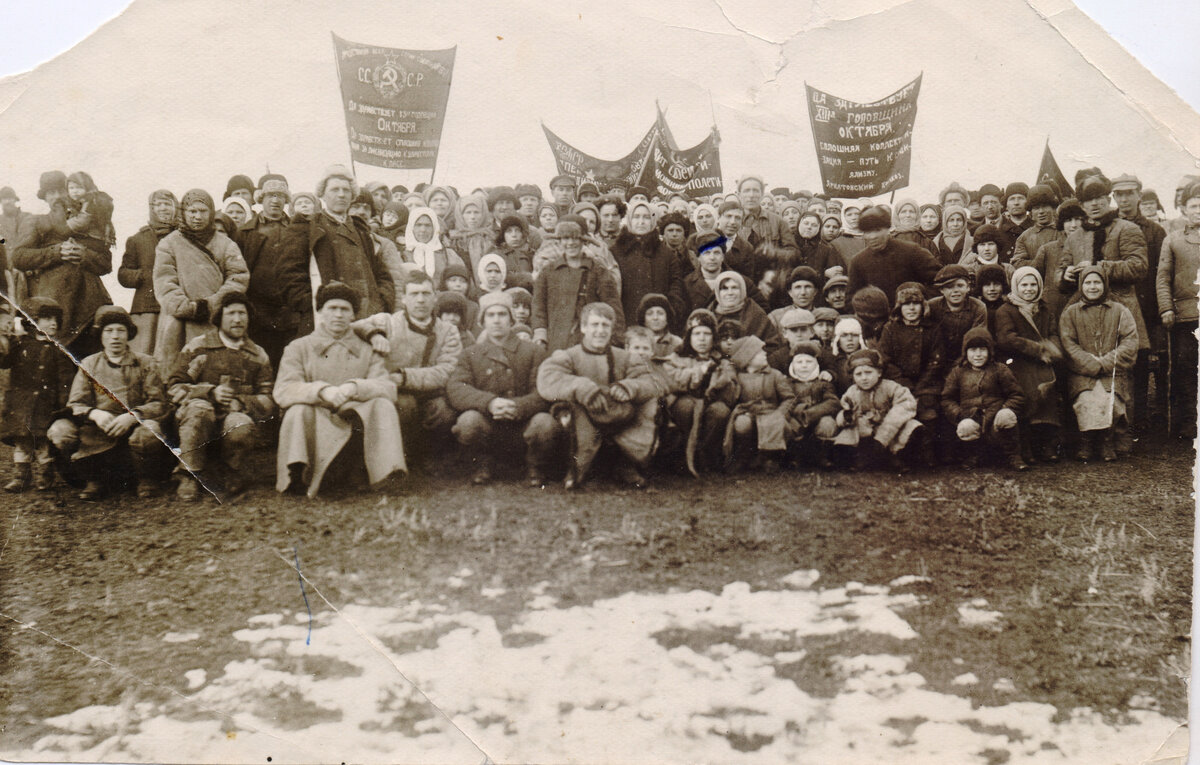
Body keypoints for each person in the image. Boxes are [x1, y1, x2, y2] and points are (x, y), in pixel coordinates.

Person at [273, 282, 406, 497]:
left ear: (353, 315)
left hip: (351, 418)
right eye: (332, 308)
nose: (338, 315)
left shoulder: (367, 350)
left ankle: (379, 474)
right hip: (316, 419)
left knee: (382, 404)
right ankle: (299, 475)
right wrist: (322, 391)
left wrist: (354, 387)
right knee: (297, 410)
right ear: (321, 312)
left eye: (345, 309)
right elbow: (284, 389)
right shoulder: (299, 347)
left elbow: (387, 387)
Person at [1059, 174, 1148, 450]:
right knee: (1084, 370)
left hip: (1120, 311)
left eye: (1099, 198)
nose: (1094, 204)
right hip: (1084, 314)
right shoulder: (1075, 236)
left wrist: (1100, 267)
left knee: (1120, 373)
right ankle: (1087, 435)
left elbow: (1139, 266)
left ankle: (1122, 434)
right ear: (1081, 204)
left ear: (1108, 199)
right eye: (1088, 199)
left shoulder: (1126, 229)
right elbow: (1060, 276)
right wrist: (1069, 274)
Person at [47, 306, 172, 500]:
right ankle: (93, 479)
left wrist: (132, 417)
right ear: (101, 335)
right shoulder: (89, 364)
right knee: (60, 431)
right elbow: (76, 403)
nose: (115, 337)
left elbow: (158, 403)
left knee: (150, 430)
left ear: (128, 334)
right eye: (109, 331)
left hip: (133, 430)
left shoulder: (146, 362)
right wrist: (95, 414)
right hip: (98, 430)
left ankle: (146, 479)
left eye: (120, 330)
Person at [536, 302, 664, 489]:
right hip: (583, 421)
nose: (600, 331)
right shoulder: (569, 356)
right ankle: (579, 468)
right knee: (571, 409)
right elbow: (548, 378)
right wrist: (582, 388)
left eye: (605, 325)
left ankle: (626, 465)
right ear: (583, 327)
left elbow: (652, 383)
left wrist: (629, 387)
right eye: (594, 325)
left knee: (650, 403)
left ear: (612, 330)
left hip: (619, 418)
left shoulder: (625, 357)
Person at [167, 292, 274, 500]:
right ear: (219, 318)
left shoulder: (257, 354)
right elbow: (174, 387)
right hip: (195, 422)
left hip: (231, 421)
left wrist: (241, 402)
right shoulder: (198, 347)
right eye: (231, 313)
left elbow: (268, 400)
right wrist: (209, 392)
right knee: (199, 409)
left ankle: (230, 471)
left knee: (240, 424)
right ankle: (190, 473)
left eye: (242, 313)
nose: (237, 319)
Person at [446, 290, 559, 486]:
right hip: (488, 426)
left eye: (502, 314)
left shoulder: (533, 351)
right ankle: (482, 464)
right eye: (490, 315)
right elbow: (456, 388)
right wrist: (489, 403)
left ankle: (535, 467)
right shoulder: (469, 354)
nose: (496, 320)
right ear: (483, 321)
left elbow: (544, 391)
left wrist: (519, 406)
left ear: (511, 319)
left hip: (523, 426)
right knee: (467, 422)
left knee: (545, 423)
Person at [353, 269, 462, 467]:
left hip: (429, 393)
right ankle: (401, 457)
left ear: (435, 297)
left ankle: (430, 456)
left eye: (426, 294)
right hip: (395, 392)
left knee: (444, 412)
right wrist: (374, 334)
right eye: (414, 294)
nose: (420, 300)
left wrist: (404, 377)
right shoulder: (388, 322)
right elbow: (355, 326)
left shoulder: (448, 331)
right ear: (404, 299)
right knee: (406, 406)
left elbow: (447, 370)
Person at [278, 165, 396, 337]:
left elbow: (382, 274)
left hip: (368, 319)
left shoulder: (361, 230)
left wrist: (383, 301)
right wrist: (313, 305)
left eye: (346, 190)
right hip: (326, 322)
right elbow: (288, 274)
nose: (341, 194)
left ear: (352, 195)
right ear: (323, 194)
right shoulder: (306, 227)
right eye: (334, 189)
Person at [12, 170, 114, 357]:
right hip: (53, 307)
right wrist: (56, 252)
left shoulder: (86, 221)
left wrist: (84, 255)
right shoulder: (36, 222)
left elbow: (106, 264)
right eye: (51, 193)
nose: (57, 197)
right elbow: (19, 257)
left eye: (61, 191)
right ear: (44, 198)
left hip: (89, 308)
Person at [153, 188, 250, 373]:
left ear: (211, 213)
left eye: (203, 211)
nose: (198, 216)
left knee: (216, 372)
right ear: (184, 212)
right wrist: (188, 308)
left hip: (215, 320)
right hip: (177, 323)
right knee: (175, 373)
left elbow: (238, 278)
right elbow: (164, 282)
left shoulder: (226, 244)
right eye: (192, 211)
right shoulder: (168, 244)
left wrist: (211, 305)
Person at [1059, 266, 1138, 461]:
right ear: (1081, 286)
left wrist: (1105, 363)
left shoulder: (1120, 311)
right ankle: (1087, 440)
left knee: (1109, 399)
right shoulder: (1070, 313)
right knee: (1087, 399)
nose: (1092, 287)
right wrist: (1090, 364)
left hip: (1112, 372)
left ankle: (1106, 439)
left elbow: (1129, 342)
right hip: (1082, 374)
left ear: (1104, 285)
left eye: (1097, 282)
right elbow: (1068, 345)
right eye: (1087, 282)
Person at [1111, 173, 1169, 434]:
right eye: (1119, 194)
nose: (1124, 199)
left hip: (1145, 305)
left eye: (1129, 193)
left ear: (1138, 195)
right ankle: (1118, 419)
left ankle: (1142, 420)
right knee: (1117, 361)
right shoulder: (1108, 227)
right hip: (1116, 304)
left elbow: (1160, 271)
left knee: (1143, 362)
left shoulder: (1155, 231)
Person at [0, 297, 75, 492]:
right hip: (21, 403)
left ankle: (45, 476)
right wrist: (4, 339)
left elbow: (64, 380)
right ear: (31, 320)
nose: (53, 323)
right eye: (46, 318)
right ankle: (21, 477)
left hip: (45, 404)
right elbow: (4, 362)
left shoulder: (59, 350)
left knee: (43, 443)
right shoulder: (19, 345)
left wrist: (62, 406)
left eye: (55, 319)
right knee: (22, 442)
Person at [995, 266, 1065, 463]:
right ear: (1016, 286)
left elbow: (1053, 333)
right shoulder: (1006, 310)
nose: (1029, 289)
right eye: (1024, 285)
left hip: (1043, 360)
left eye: (1033, 284)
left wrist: (1053, 349)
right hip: (1017, 360)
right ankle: (1025, 444)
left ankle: (1047, 442)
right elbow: (1007, 339)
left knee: (1049, 386)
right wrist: (1038, 350)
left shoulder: (1044, 308)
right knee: (1027, 387)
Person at [941, 327, 1028, 470]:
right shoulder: (958, 372)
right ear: (965, 352)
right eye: (973, 350)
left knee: (1006, 416)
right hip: (972, 418)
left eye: (982, 350)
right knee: (966, 426)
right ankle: (972, 456)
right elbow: (947, 399)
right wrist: (959, 414)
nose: (978, 355)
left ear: (990, 351)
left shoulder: (1000, 369)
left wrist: (1004, 409)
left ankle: (1014, 456)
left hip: (995, 422)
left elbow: (1016, 395)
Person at [233, 174, 295, 369]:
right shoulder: (245, 232)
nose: (275, 201)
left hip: (290, 309)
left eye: (280, 195)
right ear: (261, 198)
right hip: (258, 311)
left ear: (286, 199)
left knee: (289, 362)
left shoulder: (298, 230)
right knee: (259, 363)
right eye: (270, 195)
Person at [532, 220, 623, 352]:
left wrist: (615, 339)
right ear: (559, 242)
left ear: (583, 241)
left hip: (589, 340)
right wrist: (540, 334)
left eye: (576, 238)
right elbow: (538, 306)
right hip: (557, 340)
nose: (571, 243)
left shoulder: (597, 270)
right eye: (566, 238)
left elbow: (612, 306)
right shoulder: (548, 271)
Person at [831, 347, 923, 472]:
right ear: (852, 377)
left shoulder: (891, 387)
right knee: (850, 432)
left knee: (911, 426)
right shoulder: (852, 392)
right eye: (858, 374)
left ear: (879, 372)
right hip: (866, 434)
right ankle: (860, 458)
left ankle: (895, 456)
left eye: (868, 372)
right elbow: (845, 409)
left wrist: (883, 435)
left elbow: (905, 404)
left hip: (889, 430)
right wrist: (846, 417)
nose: (864, 378)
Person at [1156, 181, 1200, 440]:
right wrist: (1166, 308)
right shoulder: (1173, 240)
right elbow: (1163, 277)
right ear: (1184, 209)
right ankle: (1187, 422)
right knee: (1185, 368)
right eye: (1194, 206)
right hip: (1186, 317)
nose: (1199, 210)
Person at [877, 282, 941, 458]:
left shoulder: (933, 329)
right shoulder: (890, 329)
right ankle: (899, 452)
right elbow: (885, 359)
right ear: (899, 307)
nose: (911, 308)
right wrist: (903, 382)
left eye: (916, 304)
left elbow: (936, 361)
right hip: (898, 382)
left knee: (928, 408)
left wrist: (921, 385)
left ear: (923, 306)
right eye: (906, 304)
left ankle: (928, 452)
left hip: (927, 381)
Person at [722, 335, 795, 473]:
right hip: (748, 413)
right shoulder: (738, 377)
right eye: (759, 352)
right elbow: (732, 399)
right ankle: (743, 456)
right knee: (742, 423)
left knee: (774, 423)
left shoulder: (774, 375)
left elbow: (789, 398)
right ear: (748, 358)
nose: (765, 353)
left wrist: (780, 413)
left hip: (771, 413)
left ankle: (771, 458)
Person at [118, 189, 177, 355]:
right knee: (144, 355)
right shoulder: (138, 239)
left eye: (168, 204)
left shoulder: (183, 237)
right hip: (146, 308)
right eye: (158, 204)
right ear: (152, 208)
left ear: (175, 208)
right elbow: (123, 273)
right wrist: (142, 276)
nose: (163, 208)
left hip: (174, 305)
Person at [611, 200, 685, 331]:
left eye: (646, 217)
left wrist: (668, 311)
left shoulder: (666, 253)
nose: (641, 222)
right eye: (636, 217)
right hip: (626, 321)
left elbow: (676, 286)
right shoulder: (615, 251)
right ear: (629, 220)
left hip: (657, 323)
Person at [847, 206, 942, 304]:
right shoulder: (858, 261)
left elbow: (940, 280)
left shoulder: (911, 251)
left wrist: (918, 303)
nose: (873, 236)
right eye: (868, 232)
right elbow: (851, 299)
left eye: (877, 230)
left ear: (888, 229)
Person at [709, 270, 782, 355]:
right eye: (724, 288)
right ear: (718, 292)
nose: (730, 293)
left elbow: (772, 345)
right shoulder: (709, 315)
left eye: (734, 288)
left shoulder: (756, 313)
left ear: (742, 290)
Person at [1010, 185, 1059, 270]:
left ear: (1053, 209)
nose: (1041, 212)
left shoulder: (1063, 231)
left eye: (1044, 206)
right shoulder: (1025, 237)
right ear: (1031, 213)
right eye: (1036, 208)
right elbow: (1017, 262)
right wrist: (1039, 262)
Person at [635, 293, 681, 358]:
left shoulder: (677, 343)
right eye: (650, 314)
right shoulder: (635, 341)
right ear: (643, 318)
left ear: (667, 318)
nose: (655, 318)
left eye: (660, 313)